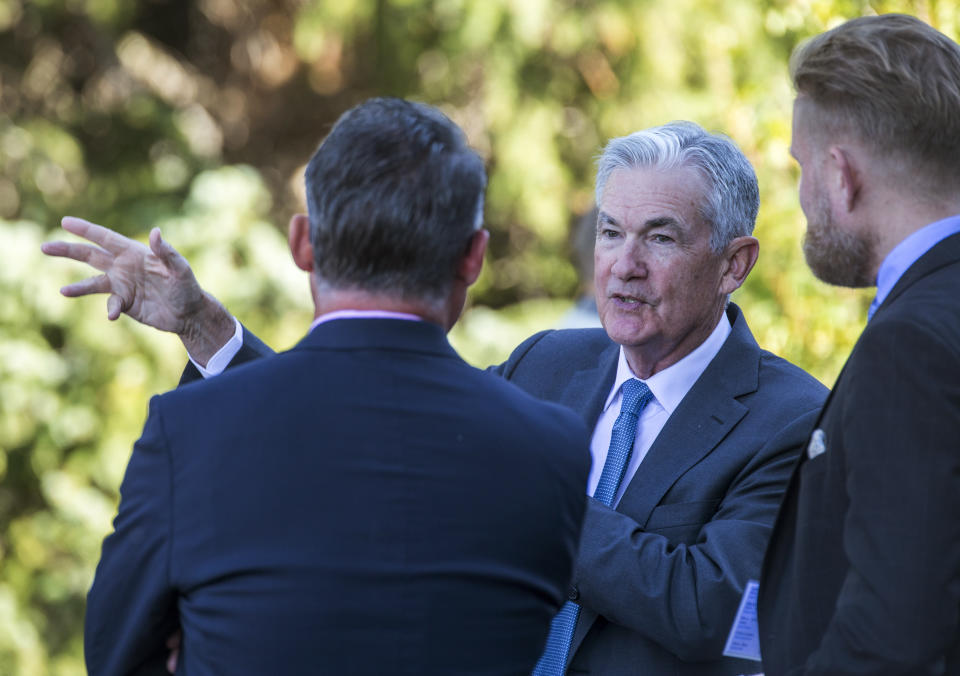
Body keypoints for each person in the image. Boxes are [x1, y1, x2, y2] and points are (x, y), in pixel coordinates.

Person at [47, 122, 827, 675]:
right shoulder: (550, 364)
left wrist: (529, 480)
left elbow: (713, 610)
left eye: (659, 238)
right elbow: (382, 429)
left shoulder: (790, 418)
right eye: (611, 233)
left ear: (734, 264)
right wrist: (205, 329)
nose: (624, 266)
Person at [76, 97, 592, 675]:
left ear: (302, 244)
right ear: (473, 258)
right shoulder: (555, 451)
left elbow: (115, 657)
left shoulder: (190, 432)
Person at [758, 14, 960, 675]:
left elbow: (894, 633)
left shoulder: (909, 346)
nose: (803, 199)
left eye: (800, 168)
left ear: (840, 175)